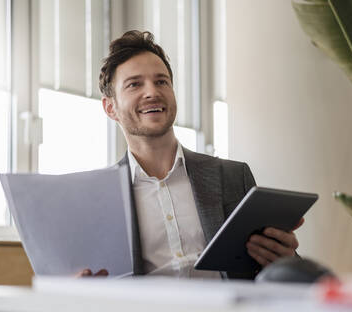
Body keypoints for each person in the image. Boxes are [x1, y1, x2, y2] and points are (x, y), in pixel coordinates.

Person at [79, 30, 303, 280]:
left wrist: (286, 260)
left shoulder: (232, 177)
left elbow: (276, 276)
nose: (152, 92)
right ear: (110, 107)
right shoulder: (100, 199)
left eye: (161, 81)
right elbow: (80, 309)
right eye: (135, 84)